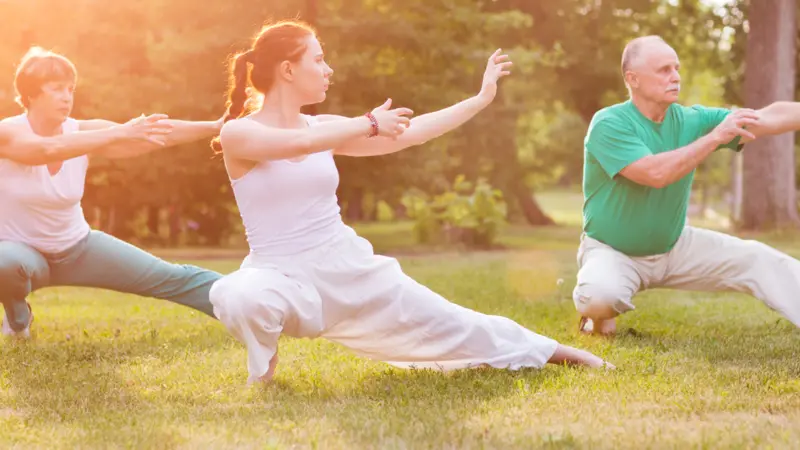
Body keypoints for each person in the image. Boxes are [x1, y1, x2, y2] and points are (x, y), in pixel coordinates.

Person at [208, 20, 614, 384]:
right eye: (319, 59)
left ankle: (564, 355)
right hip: (279, 272)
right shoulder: (238, 135)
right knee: (240, 296)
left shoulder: (326, 127)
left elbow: (412, 132)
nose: (328, 68)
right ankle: (263, 370)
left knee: (454, 322)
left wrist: (480, 99)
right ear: (288, 69)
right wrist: (367, 123)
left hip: (347, 265)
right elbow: (296, 143)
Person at [574, 35, 800, 336]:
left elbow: (765, 118)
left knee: (758, 258)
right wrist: (714, 138)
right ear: (633, 79)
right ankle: (600, 316)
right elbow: (655, 173)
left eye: (676, 68)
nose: (676, 76)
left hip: (676, 246)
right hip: (613, 251)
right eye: (664, 70)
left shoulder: (690, 119)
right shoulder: (610, 123)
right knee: (600, 295)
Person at [0, 46, 224, 338]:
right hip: (22, 253)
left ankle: (250, 304)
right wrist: (121, 131)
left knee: (170, 276)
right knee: (4, 263)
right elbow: (45, 150)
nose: (67, 96)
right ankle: (18, 322)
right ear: (30, 94)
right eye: (56, 89)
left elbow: (153, 135)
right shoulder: (8, 132)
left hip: (78, 248)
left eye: (70, 89)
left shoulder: (81, 130)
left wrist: (216, 126)